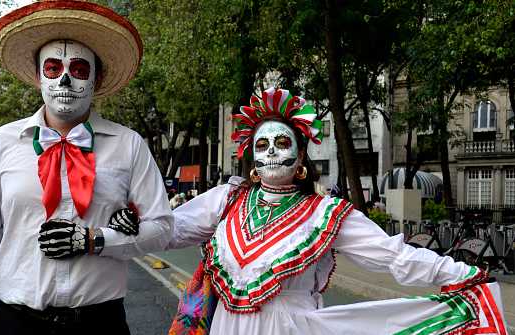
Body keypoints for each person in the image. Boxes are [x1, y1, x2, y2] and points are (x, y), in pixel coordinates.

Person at [112, 88, 505, 334]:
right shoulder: (225, 200)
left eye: (281, 143)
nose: (270, 153)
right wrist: (130, 223)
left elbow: (394, 257)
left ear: (301, 156)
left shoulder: (326, 214)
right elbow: (167, 230)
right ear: (250, 156)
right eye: (262, 146)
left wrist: (464, 273)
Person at [0, 2, 172, 335]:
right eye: (53, 68)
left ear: (98, 78)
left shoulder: (129, 145)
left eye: (79, 69)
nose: (65, 80)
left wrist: (95, 240)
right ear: (38, 76)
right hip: (16, 323)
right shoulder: (2, 142)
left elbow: (162, 229)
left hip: (99, 325)